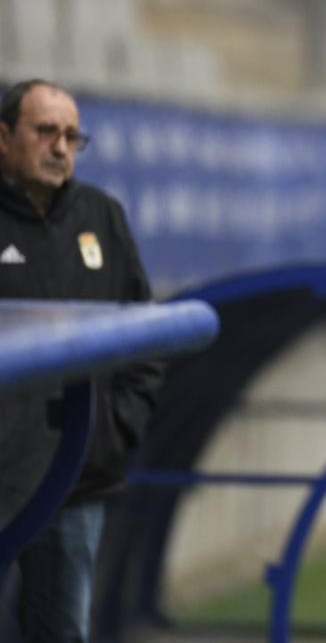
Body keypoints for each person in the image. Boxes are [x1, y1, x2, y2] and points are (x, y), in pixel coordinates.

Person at [0, 79, 163, 642]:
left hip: (75, 478)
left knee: (63, 630)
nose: (61, 147)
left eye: (72, 136)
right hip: (1, 474)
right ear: (4, 137)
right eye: (46, 131)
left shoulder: (102, 217)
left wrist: (110, 431)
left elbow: (144, 337)